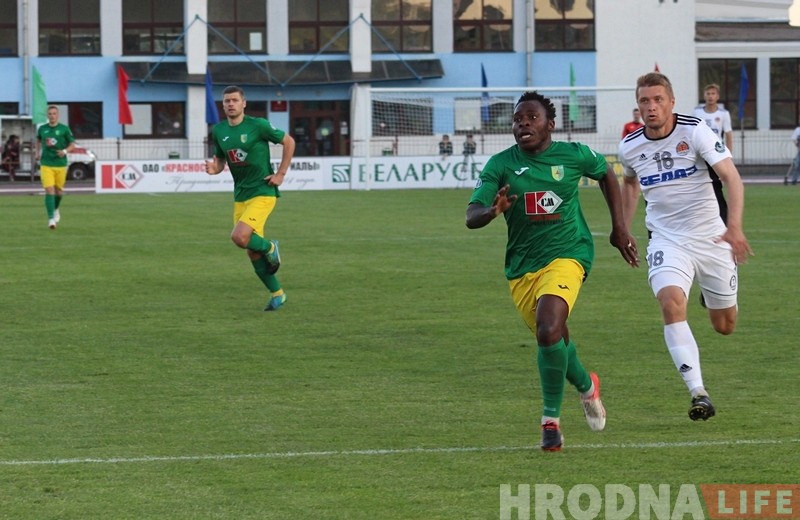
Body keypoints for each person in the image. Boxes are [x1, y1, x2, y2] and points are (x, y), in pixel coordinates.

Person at [466, 91, 639, 451]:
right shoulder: (499, 165)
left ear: (550, 124)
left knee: (548, 327)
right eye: (517, 120)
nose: (523, 124)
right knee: (555, 338)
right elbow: (471, 216)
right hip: (522, 268)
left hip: (569, 254)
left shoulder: (573, 155)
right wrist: (493, 211)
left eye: (531, 117)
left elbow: (607, 172)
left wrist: (619, 227)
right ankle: (588, 386)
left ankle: (550, 422)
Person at [619, 72, 753, 422]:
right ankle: (698, 392)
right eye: (645, 101)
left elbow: (731, 177)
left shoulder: (694, 130)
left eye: (658, 99)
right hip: (666, 238)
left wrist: (734, 227)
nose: (651, 107)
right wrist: (623, 228)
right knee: (670, 300)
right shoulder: (630, 146)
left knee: (725, 325)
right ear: (638, 105)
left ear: (672, 102)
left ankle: (711, 292)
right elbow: (630, 185)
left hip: (712, 238)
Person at [205, 85, 296, 311]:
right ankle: (278, 294)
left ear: (243, 103)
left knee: (239, 236)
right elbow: (221, 162)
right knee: (250, 249)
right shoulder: (219, 131)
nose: (230, 104)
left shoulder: (259, 125)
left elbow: (289, 141)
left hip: (263, 192)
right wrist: (214, 169)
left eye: (235, 100)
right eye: (227, 101)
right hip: (241, 196)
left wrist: (281, 174)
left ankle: (271, 248)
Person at [693, 83, 732, 224]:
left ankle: (723, 217)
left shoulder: (723, 114)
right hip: (701, 156)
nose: (710, 96)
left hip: (716, 155)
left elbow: (728, 134)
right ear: (704, 96)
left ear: (718, 96)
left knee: (717, 186)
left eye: (713, 94)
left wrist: (728, 156)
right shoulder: (697, 112)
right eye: (708, 94)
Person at [36, 106, 76, 229]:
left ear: (57, 115)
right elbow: (38, 140)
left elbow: (72, 145)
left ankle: (56, 208)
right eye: (50, 114)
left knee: (59, 192)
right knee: (49, 190)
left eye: (54, 114)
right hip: (46, 164)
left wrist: (64, 151)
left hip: (60, 164)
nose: (52, 116)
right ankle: (51, 219)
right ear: (47, 115)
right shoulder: (42, 129)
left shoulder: (64, 129)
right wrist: (37, 152)